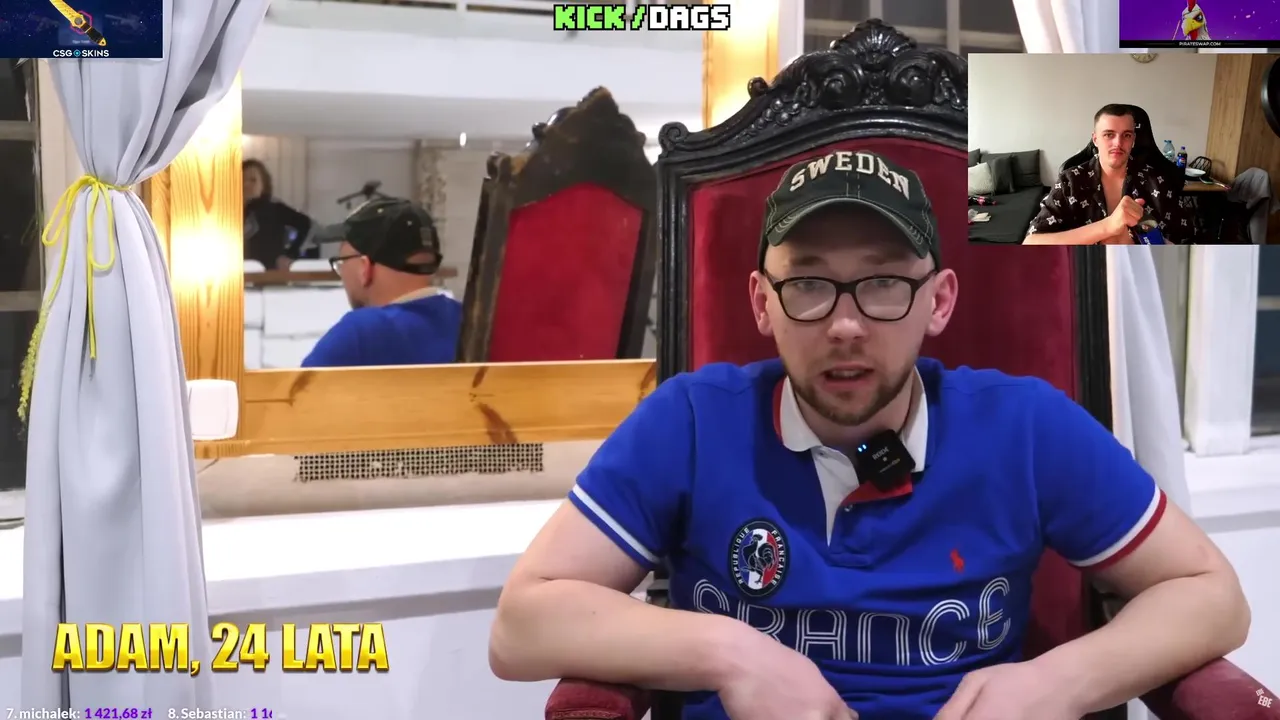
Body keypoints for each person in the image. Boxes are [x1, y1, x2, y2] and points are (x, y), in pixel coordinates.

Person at [488, 150, 1249, 719]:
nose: (846, 325)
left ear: (938, 301)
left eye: (884, 282)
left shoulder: (1024, 427)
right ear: (761, 302)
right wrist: (730, 651)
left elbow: (1213, 597)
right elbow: (520, 626)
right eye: (808, 283)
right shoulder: (690, 421)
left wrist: (1061, 680)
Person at [302, 198, 461, 368]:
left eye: (342, 263)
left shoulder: (359, 334)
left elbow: (299, 384)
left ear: (364, 268)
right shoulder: (467, 320)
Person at [1024, 105, 1196, 245]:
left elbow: (1186, 241)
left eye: (1126, 135)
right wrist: (1107, 227)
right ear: (1095, 139)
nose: (1118, 143)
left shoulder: (1157, 181)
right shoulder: (1070, 181)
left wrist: (1148, 239)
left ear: (1133, 140)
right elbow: (1031, 243)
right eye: (1109, 134)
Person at [243, 159, 314, 269]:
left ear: (263, 184)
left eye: (253, 180)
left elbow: (305, 224)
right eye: (242, 179)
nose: (246, 184)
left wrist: (290, 254)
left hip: (271, 273)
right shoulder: (228, 212)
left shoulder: (275, 208)